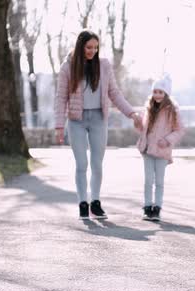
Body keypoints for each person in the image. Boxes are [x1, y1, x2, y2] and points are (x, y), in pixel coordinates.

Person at [54, 30, 142, 219]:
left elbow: (114, 93)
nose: (92, 51)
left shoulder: (104, 66)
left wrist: (132, 113)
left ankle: (95, 202)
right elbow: (61, 98)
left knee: (97, 164)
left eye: (95, 47)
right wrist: (59, 126)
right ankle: (82, 203)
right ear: (80, 46)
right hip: (76, 120)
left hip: (98, 119)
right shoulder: (67, 67)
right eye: (88, 47)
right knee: (81, 164)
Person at [136, 73, 185, 221]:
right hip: (147, 149)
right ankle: (147, 207)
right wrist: (138, 124)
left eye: (160, 92)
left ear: (166, 93)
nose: (157, 95)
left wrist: (168, 140)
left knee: (159, 181)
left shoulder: (172, 111)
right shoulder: (149, 108)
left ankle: (157, 208)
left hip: (162, 150)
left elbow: (179, 130)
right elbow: (144, 129)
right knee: (148, 180)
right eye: (155, 92)